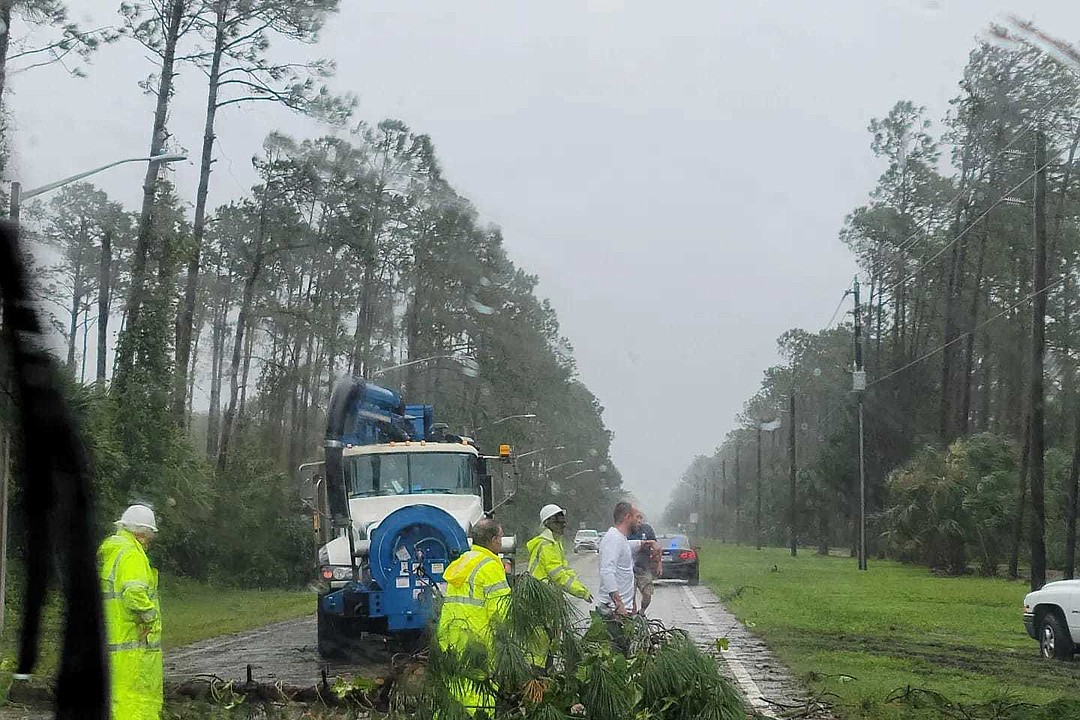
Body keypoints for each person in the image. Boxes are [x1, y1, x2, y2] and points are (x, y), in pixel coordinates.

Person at [436, 518, 512, 717]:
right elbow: (501, 611)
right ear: (494, 539)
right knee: (479, 696)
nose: (502, 541)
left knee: (453, 692)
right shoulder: (491, 567)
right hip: (477, 641)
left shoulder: (462, 562)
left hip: (450, 636)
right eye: (501, 537)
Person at [98, 504, 163, 720]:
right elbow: (134, 593)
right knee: (135, 703)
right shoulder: (132, 555)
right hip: (131, 648)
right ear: (142, 534)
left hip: (115, 643)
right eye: (149, 537)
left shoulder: (112, 553)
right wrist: (150, 619)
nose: (149, 543)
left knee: (119, 700)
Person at [525, 504, 593, 667]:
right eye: (559, 522)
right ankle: (536, 677)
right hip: (540, 599)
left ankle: (544, 674)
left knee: (550, 639)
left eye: (563, 521)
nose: (563, 525)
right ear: (548, 523)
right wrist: (581, 592)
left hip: (548, 599)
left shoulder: (555, 543)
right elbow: (558, 575)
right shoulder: (546, 545)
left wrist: (581, 588)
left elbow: (566, 570)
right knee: (541, 641)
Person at [597, 501, 656, 653]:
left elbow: (626, 547)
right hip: (614, 613)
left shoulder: (620, 539)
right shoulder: (614, 539)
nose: (639, 521)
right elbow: (607, 571)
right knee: (616, 657)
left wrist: (645, 543)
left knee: (623, 655)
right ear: (627, 517)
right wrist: (619, 603)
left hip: (620, 612)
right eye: (637, 517)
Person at [629, 510, 662, 615]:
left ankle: (642, 611)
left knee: (647, 594)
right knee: (630, 596)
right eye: (636, 517)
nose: (639, 520)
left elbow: (656, 546)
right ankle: (633, 617)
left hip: (644, 567)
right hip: (629, 568)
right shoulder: (627, 531)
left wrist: (659, 564)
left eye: (640, 518)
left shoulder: (647, 529)